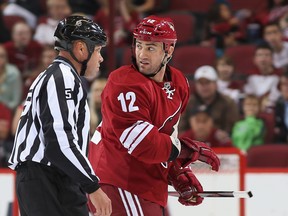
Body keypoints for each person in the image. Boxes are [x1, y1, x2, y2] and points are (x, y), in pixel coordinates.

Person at [88, 15, 220, 216]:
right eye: (139, 45)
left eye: (150, 48)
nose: (141, 54)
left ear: (169, 50)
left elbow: (166, 138)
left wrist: (176, 172)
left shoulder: (179, 83)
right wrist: (186, 150)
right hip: (117, 180)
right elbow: (143, 144)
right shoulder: (124, 83)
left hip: (142, 183)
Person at [8, 15, 112, 216]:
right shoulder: (62, 77)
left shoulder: (59, 76)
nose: (101, 58)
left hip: (51, 179)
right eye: (98, 50)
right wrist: (92, 186)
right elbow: (59, 142)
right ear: (82, 49)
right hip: (47, 179)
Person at [180, 65, 240, 134]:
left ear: (216, 84)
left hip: (219, 143)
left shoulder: (227, 102)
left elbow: (233, 127)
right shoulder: (188, 102)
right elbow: (181, 128)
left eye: (207, 82)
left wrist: (225, 134)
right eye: (201, 83)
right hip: (192, 142)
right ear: (196, 85)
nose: (204, 87)